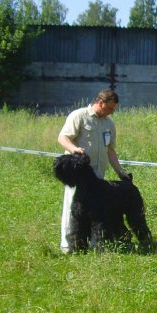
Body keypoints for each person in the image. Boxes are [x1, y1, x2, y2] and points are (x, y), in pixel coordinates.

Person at [58, 89, 130, 254]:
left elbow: (110, 150)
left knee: (96, 210)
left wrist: (120, 171)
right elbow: (63, 138)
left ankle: (94, 244)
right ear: (100, 102)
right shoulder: (79, 116)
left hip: (97, 175)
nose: (112, 112)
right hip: (78, 175)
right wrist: (75, 149)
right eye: (110, 108)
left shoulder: (109, 124)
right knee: (73, 209)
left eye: (114, 109)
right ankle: (68, 246)